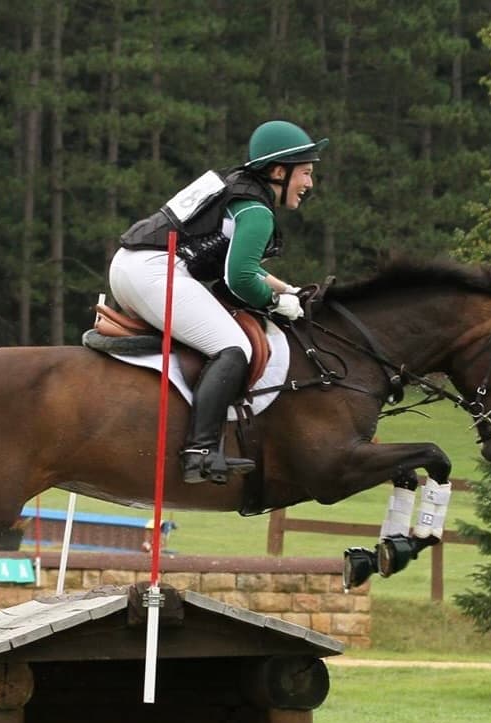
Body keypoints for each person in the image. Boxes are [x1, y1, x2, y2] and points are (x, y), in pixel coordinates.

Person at [109, 120, 328, 485]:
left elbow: (243, 267)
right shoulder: (256, 211)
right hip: (155, 272)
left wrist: (288, 289)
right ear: (279, 171)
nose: (310, 183)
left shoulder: (239, 190)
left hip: (132, 265)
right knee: (234, 347)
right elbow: (239, 279)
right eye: (305, 172)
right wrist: (277, 302)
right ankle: (200, 452)